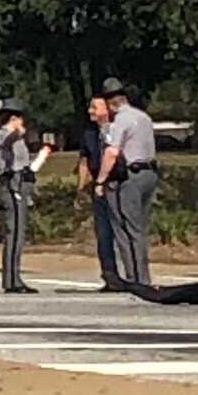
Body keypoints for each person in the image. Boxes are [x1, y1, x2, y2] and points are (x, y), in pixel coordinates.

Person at [88, 76, 159, 293]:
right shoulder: (143, 117)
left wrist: (100, 180)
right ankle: (142, 275)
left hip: (129, 177)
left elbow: (111, 152)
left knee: (126, 230)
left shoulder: (121, 121)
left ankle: (136, 279)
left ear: (111, 103)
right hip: (149, 173)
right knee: (139, 228)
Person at [0, 102, 54, 295]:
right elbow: (7, 144)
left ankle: (14, 277)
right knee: (14, 231)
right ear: (14, 118)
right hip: (12, 184)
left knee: (19, 232)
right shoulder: (3, 135)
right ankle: (11, 280)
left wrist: (42, 156)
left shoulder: (17, 139)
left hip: (22, 181)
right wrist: (17, 131)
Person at [75, 91, 118, 285]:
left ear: (107, 109)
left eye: (95, 107)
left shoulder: (118, 129)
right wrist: (81, 188)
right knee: (103, 232)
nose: (90, 111)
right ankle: (109, 275)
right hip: (98, 188)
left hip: (118, 184)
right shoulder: (89, 134)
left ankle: (129, 275)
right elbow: (84, 161)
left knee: (120, 230)